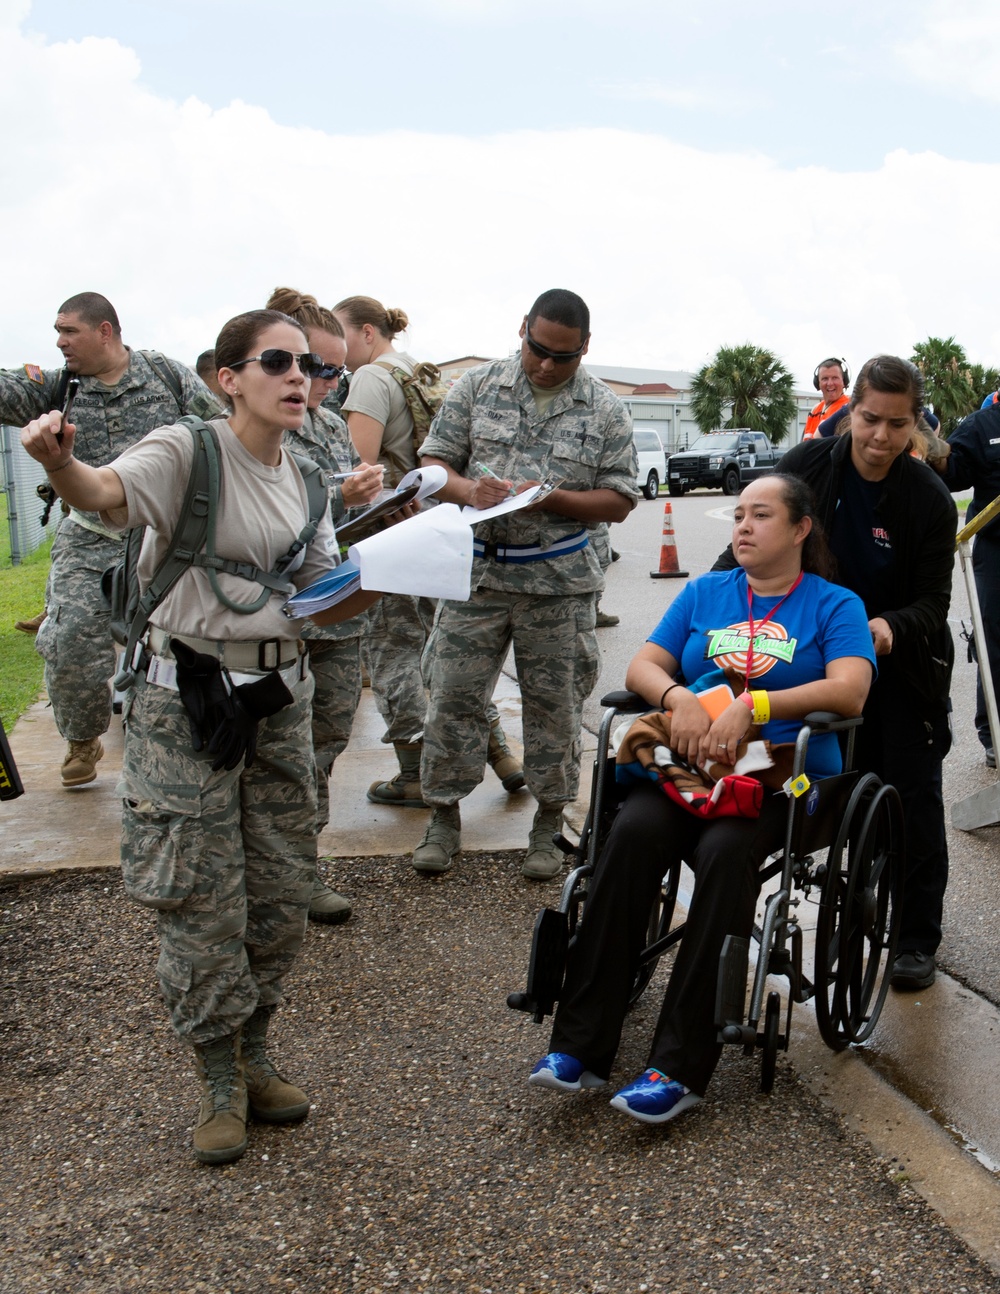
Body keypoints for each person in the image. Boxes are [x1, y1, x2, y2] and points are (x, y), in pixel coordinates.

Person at [21, 308, 378, 1166]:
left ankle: (256, 1052)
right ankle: (218, 1075)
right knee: (195, 888)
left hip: (277, 702)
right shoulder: (186, 449)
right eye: (280, 363)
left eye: (315, 370)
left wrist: (386, 569)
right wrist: (59, 459)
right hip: (183, 704)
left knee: (282, 882)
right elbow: (102, 494)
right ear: (229, 378)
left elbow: (316, 585)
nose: (303, 379)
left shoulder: (309, 476)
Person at [529, 475, 875, 1122]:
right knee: (630, 834)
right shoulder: (705, 592)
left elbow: (850, 692)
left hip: (787, 781)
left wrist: (758, 705)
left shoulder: (835, 605)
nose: (742, 527)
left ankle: (678, 1065)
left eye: (760, 516)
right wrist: (678, 697)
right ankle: (578, 1046)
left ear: (800, 530)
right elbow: (643, 666)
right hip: (698, 774)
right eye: (737, 515)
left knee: (725, 849)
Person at [718, 356, 957, 991]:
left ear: (917, 426)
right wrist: (710, 599)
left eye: (898, 425)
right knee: (796, 774)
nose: (880, 437)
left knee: (908, 790)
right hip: (806, 651)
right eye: (870, 419)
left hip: (896, 664)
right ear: (850, 410)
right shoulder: (806, 468)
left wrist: (892, 627)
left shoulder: (927, 501)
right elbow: (752, 539)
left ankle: (914, 935)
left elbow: (935, 604)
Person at [412, 288, 638, 879]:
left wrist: (551, 497)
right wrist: (467, 490)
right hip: (478, 578)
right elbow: (433, 462)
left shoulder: (606, 409)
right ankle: (442, 815)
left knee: (555, 709)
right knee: (451, 697)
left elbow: (619, 499)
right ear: (522, 330)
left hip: (559, 587)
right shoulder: (478, 387)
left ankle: (547, 823)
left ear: (585, 348)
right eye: (537, 348)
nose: (545, 364)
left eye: (562, 356)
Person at [0, 292, 220, 788]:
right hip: (89, 534)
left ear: (104, 331)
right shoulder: (59, 387)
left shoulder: (166, 376)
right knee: (71, 639)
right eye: (57, 332)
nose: (59, 342)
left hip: (161, 535)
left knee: (182, 639)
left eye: (68, 331)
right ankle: (83, 737)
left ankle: (186, 735)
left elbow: (221, 430)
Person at [332, 294, 522, 806]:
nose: (335, 352)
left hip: (392, 532)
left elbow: (360, 468)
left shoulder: (371, 378)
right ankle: (502, 756)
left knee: (393, 652)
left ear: (368, 332)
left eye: (342, 335)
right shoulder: (417, 371)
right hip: (436, 529)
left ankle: (415, 770)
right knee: (443, 654)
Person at [266, 287, 384, 923]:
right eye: (317, 367)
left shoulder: (332, 425)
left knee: (323, 742)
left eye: (338, 371)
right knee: (269, 747)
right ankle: (268, 870)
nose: (327, 383)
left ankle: (301, 867)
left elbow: (339, 520)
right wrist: (342, 498)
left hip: (333, 613)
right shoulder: (246, 425)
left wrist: (375, 501)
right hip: (271, 613)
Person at [932, 395, 1000, 768]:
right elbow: (951, 472)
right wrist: (931, 445)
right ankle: (994, 735)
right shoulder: (980, 425)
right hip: (995, 548)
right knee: (995, 640)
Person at [803, 357, 850, 439]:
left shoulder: (849, 408)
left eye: (835, 378)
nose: (830, 383)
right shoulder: (815, 410)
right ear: (818, 383)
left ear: (844, 381)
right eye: (825, 379)